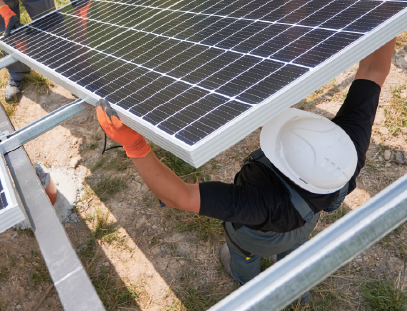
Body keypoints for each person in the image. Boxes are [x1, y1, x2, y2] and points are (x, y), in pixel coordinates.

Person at [95, 39, 395, 304]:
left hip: (257, 238)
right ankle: (294, 281)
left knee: (241, 252)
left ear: (282, 167)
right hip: (305, 224)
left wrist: (134, 145)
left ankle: (247, 279)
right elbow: (373, 72)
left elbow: (178, 196)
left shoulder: (257, 201)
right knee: (295, 249)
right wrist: (389, 9)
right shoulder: (348, 150)